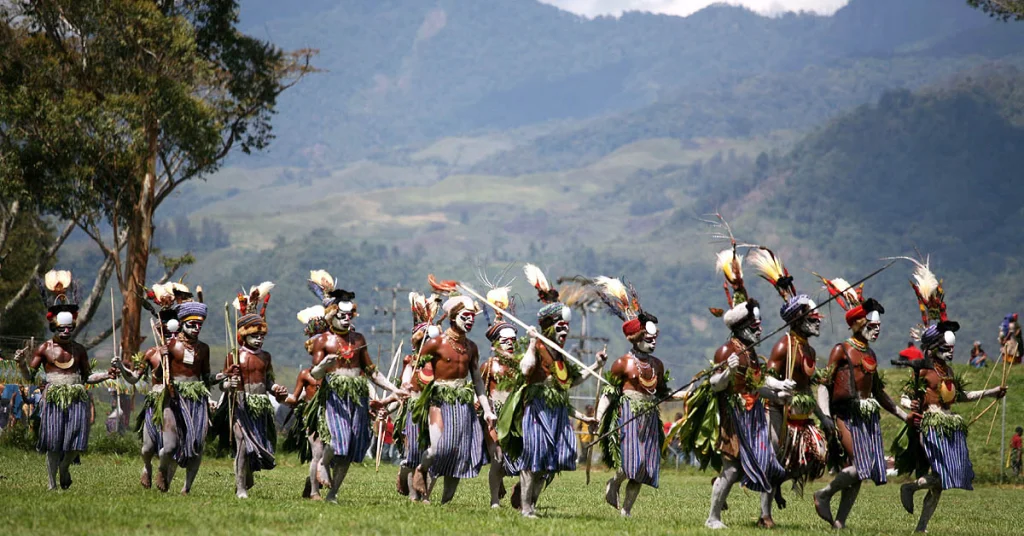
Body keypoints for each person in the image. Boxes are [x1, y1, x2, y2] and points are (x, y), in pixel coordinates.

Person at [893, 260, 1007, 533]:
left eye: (952, 347)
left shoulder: (950, 371)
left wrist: (992, 392)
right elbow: (905, 397)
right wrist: (911, 407)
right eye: (946, 347)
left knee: (943, 482)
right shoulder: (924, 370)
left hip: (949, 425)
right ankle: (911, 488)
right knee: (944, 476)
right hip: (931, 426)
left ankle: (921, 526)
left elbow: (962, 396)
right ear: (934, 347)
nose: (951, 351)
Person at [497, 263, 603, 518]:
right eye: (560, 325)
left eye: (566, 326)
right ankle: (526, 508)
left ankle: (529, 502)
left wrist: (596, 366)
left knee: (551, 463)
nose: (565, 329)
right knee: (534, 459)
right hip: (537, 411)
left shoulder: (561, 356)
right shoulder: (539, 347)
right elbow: (525, 370)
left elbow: (570, 383)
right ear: (548, 325)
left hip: (557, 413)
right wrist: (532, 342)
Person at [699, 246, 789, 530]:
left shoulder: (751, 353)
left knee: (764, 463)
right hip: (734, 416)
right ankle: (713, 517)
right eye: (755, 325)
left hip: (754, 417)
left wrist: (779, 388)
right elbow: (715, 385)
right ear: (741, 326)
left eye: (760, 324)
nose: (760, 329)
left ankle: (762, 513)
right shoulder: (728, 350)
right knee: (732, 469)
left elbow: (757, 385)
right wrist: (728, 370)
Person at [813, 276, 914, 529]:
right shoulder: (842, 349)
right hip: (845, 415)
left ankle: (840, 522)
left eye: (879, 326)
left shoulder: (871, 353)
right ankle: (824, 494)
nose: (877, 329)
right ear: (858, 323)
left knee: (860, 473)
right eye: (872, 324)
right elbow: (824, 384)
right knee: (861, 466)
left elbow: (879, 393)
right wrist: (825, 416)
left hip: (867, 418)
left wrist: (905, 416)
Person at [305, 275, 406, 503]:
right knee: (337, 439)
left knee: (350, 448)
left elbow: (371, 371)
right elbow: (315, 374)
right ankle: (322, 464)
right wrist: (323, 365)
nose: (346, 320)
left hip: (357, 398)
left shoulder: (358, 339)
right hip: (334, 396)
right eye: (341, 316)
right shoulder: (323, 341)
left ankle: (333, 494)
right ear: (331, 315)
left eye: (349, 316)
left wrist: (394, 389)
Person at [15, 269, 116, 490]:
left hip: (76, 397)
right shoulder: (44, 349)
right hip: (53, 397)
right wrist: (22, 364)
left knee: (75, 442)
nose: (66, 331)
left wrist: (107, 374)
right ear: (54, 327)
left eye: (69, 328)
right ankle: (52, 484)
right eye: (62, 328)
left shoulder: (79, 350)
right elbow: (30, 377)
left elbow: (88, 377)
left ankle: (65, 466)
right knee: (53, 442)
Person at [749, 247, 828, 528]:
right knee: (773, 460)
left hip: (802, 415)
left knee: (815, 457)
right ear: (798, 321)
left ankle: (777, 485)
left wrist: (823, 416)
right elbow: (763, 378)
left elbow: (809, 386)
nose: (817, 322)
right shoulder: (784, 345)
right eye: (812, 318)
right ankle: (764, 515)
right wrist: (779, 385)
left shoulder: (809, 349)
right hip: (777, 411)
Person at [116, 283, 218, 494]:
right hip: (162, 400)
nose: (167, 328)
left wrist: (220, 381)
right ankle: (147, 467)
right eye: (163, 324)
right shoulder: (155, 352)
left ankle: (178, 484)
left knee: (183, 446)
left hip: (188, 399)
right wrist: (121, 367)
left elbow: (204, 377)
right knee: (148, 448)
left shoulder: (197, 349)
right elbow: (134, 378)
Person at [594, 277, 681, 517]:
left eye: (654, 339)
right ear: (636, 338)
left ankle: (627, 511)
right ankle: (614, 482)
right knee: (629, 464)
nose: (653, 343)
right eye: (647, 339)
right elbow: (609, 393)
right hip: (628, 416)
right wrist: (598, 418)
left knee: (643, 467)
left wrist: (688, 394)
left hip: (650, 417)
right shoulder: (623, 363)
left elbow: (664, 394)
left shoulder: (657, 365)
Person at [410, 277, 494, 505]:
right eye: (465, 316)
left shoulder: (471, 348)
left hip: (463, 403)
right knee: (438, 448)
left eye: (472, 317)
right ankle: (421, 469)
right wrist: (418, 340)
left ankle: (443, 503)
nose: (469, 321)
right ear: (453, 318)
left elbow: (477, 381)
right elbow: (417, 361)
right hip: (439, 400)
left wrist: (487, 410)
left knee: (459, 453)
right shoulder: (437, 343)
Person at [212, 282, 290, 499]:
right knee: (242, 446)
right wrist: (229, 384)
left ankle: (246, 475)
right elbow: (222, 382)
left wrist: (276, 388)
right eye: (255, 335)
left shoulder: (265, 357)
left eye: (261, 335)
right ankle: (240, 488)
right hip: (240, 405)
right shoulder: (234, 356)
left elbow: (268, 382)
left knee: (255, 448)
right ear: (244, 335)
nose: (259, 339)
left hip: (260, 406)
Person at [479, 285, 525, 508]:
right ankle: (494, 500)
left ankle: (520, 492)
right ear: (495, 341)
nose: (509, 343)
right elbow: (479, 391)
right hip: (495, 417)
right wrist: (485, 411)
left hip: (516, 417)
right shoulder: (488, 366)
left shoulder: (521, 366)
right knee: (497, 458)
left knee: (523, 459)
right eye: (505, 339)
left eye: (512, 339)